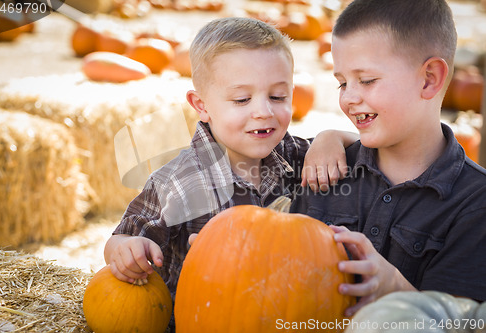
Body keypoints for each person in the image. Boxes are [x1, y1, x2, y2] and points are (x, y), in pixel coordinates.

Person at [104, 16, 358, 329]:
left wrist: (331, 137)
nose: (263, 110)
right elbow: (121, 239)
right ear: (202, 105)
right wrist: (127, 250)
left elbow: (366, 150)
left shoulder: (295, 154)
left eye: (278, 96)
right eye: (242, 99)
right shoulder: (178, 181)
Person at [294, 0, 486, 317]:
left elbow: (458, 323)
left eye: (366, 80)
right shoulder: (323, 166)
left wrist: (394, 287)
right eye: (342, 82)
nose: (348, 97)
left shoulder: (474, 204)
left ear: (429, 79)